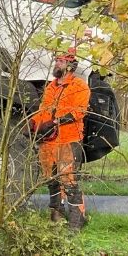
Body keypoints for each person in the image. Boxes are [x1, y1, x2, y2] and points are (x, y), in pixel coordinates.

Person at [27, 49, 91, 230]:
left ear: (70, 65)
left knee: (69, 182)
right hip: (49, 141)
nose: (57, 64)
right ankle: (56, 217)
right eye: (57, 61)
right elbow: (43, 111)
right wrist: (33, 124)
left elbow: (79, 112)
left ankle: (76, 223)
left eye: (61, 61)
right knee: (51, 181)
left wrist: (55, 122)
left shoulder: (80, 86)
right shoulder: (51, 86)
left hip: (68, 140)